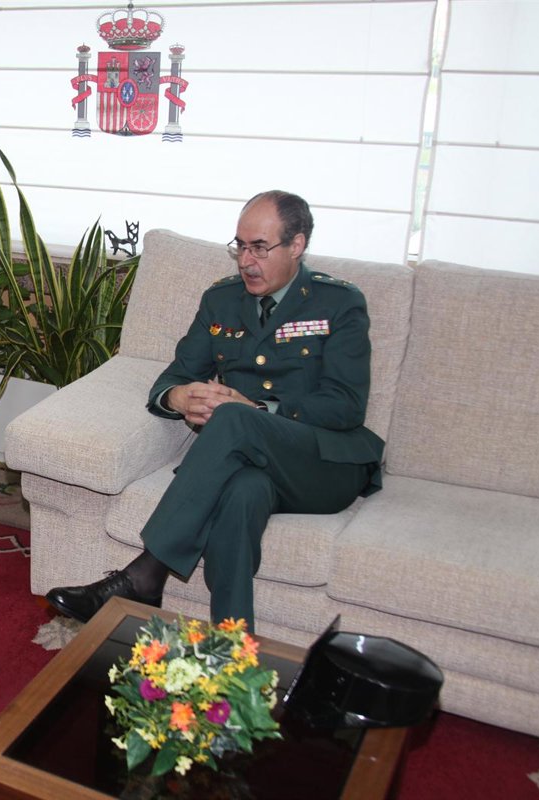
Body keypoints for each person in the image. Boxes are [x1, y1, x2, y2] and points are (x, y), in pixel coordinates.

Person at [46, 191, 384, 630]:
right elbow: (172, 378)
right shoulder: (221, 301)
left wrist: (259, 409)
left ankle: (146, 573)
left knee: (234, 417)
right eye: (239, 246)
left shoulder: (337, 303)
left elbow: (346, 405)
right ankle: (231, 646)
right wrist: (179, 397)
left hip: (324, 464)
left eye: (259, 248)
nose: (246, 261)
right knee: (243, 493)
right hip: (253, 465)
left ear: (296, 245)